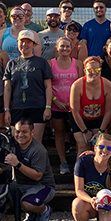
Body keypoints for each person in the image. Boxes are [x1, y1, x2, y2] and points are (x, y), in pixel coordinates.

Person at [5, 118, 55, 221]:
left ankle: (44, 211)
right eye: (18, 131)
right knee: (0, 192)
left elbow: (38, 176)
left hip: (42, 186)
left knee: (28, 203)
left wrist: (17, 164)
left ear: (32, 132)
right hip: (20, 183)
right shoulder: (13, 143)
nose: (20, 135)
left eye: (24, 132)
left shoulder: (38, 150)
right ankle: (32, 213)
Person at [4, 30, 53, 138]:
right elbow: (7, 88)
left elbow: (48, 86)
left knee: (36, 141)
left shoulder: (41, 62)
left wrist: (48, 107)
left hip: (37, 106)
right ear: (17, 43)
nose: (24, 45)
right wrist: (7, 110)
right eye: (22, 42)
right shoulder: (11, 64)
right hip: (18, 107)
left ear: (33, 45)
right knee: (17, 140)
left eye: (28, 42)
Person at [49, 37, 82, 175]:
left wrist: (72, 101)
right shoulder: (50, 63)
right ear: (57, 47)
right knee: (59, 133)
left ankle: (78, 163)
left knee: (77, 134)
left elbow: (81, 85)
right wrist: (56, 101)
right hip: (56, 105)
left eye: (68, 46)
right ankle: (63, 162)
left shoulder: (78, 64)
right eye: (62, 46)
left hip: (73, 106)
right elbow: (47, 85)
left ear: (72, 48)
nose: (65, 49)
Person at [69, 56, 111, 154]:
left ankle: (97, 167)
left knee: (98, 145)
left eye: (97, 69)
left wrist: (101, 131)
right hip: (80, 117)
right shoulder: (77, 85)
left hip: (98, 117)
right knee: (83, 145)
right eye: (90, 70)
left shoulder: (107, 85)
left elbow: (108, 111)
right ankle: (80, 168)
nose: (94, 72)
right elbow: (75, 111)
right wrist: (85, 131)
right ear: (84, 70)